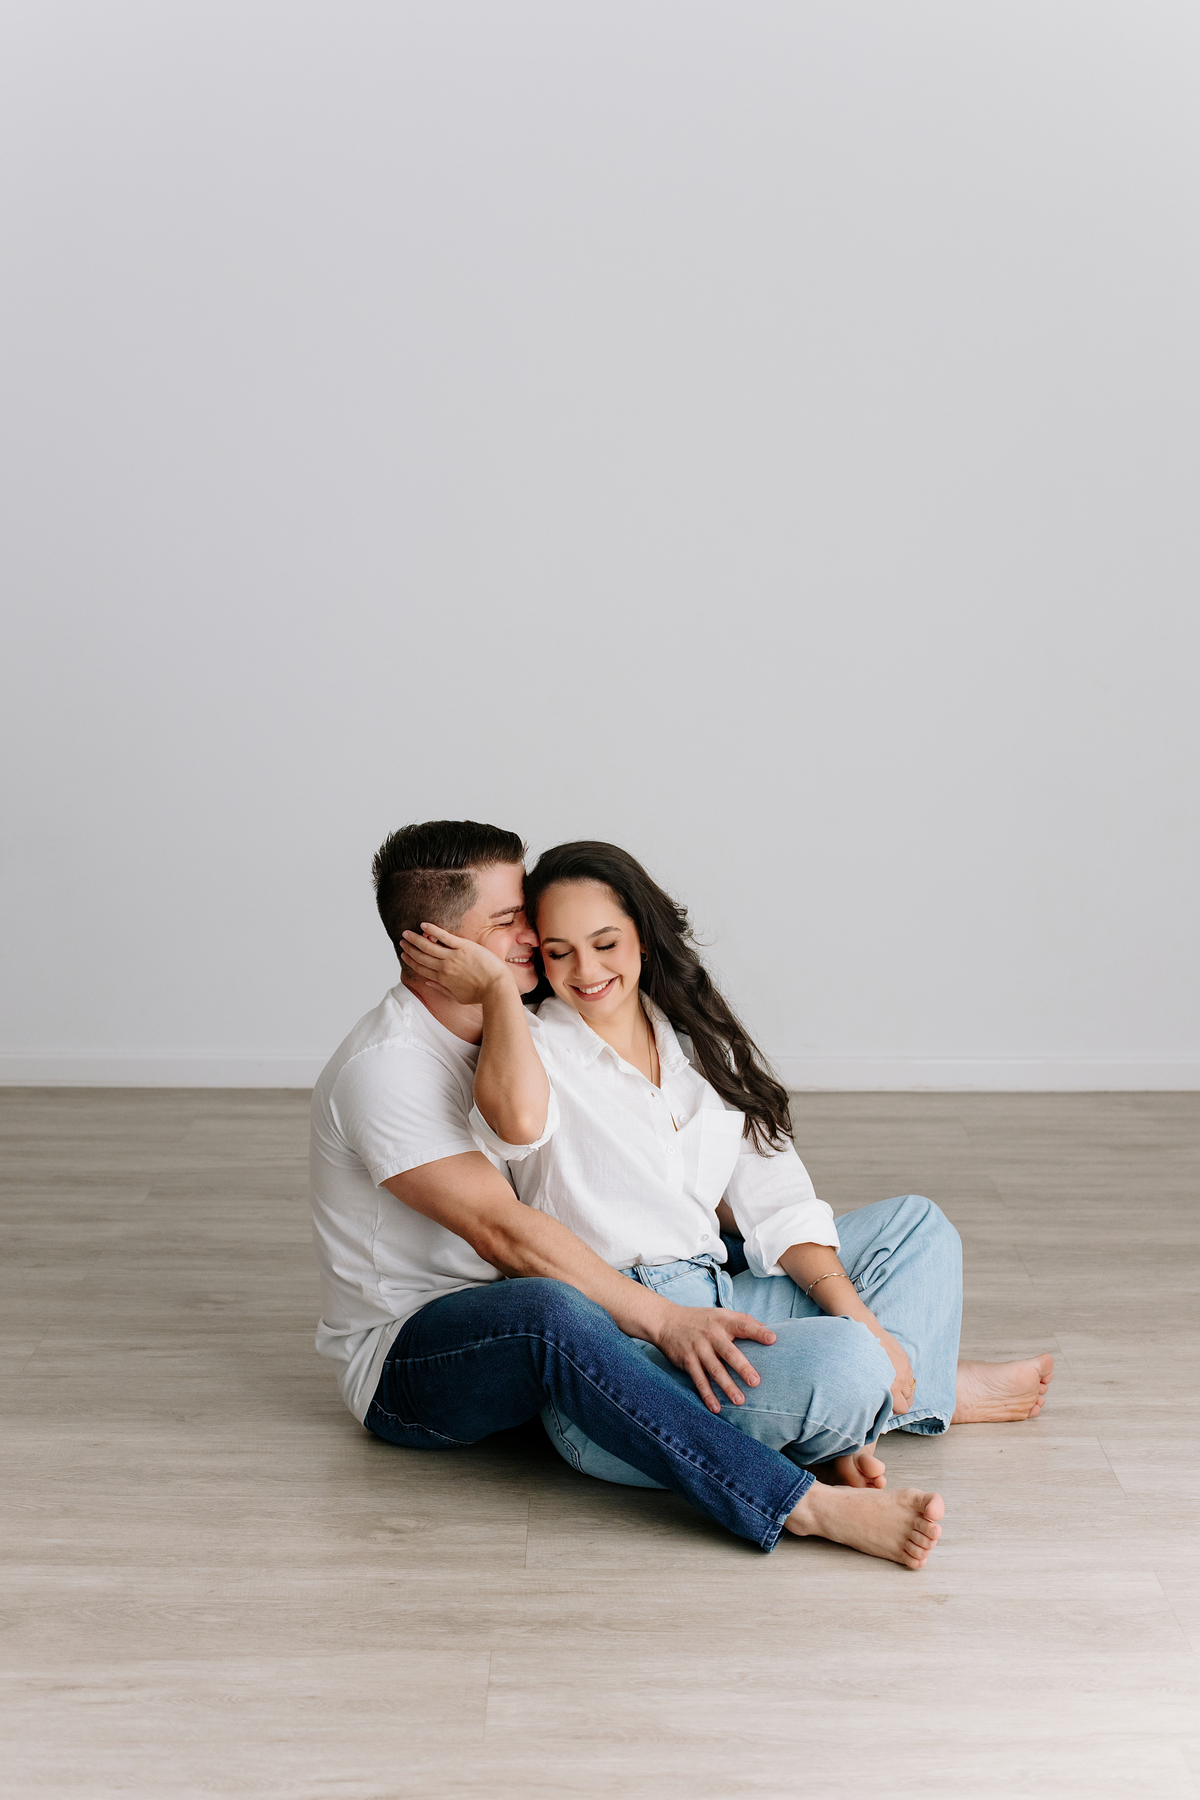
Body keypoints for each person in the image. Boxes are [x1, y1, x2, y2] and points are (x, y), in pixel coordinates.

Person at [396, 839, 1054, 1566]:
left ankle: (888, 1397)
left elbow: (777, 1201)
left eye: (605, 944)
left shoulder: (696, 1045)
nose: (586, 970)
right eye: (558, 953)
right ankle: (911, 1396)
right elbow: (516, 1124)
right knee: (850, 1362)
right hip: (621, 1350)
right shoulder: (532, 1043)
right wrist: (497, 991)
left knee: (918, 1227)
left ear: (643, 937)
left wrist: (865, 1319)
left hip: (719, 1297)